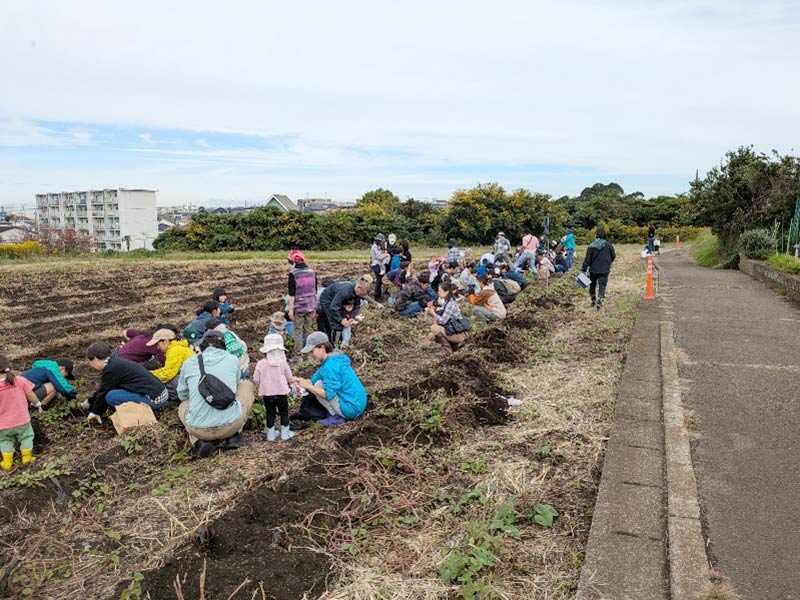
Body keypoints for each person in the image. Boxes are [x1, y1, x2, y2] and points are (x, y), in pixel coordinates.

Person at [177, 330, 256, 457]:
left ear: (202, 347)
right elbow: (234, 388)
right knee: (246, 385)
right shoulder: (232, 359)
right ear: (224, 346)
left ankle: (198, 442)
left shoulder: (188, 363)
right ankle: (234, 436)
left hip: (199, 430)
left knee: (183, 405)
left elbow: (182, 395)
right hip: (231, 425)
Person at [293, 332, 367, 424]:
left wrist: (308, 387)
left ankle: (336, 417)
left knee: (318, 385)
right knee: (318, 383)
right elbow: (312, 381)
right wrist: (299, 380)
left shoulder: (330, 366)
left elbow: (328, 394)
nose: (311, 355)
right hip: (358, 402)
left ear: (322, 347)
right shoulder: (334, 358)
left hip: (352, 409)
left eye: (312, 351)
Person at [85, 341, 169, 422]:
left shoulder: (111, 369)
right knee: (113, 392)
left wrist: (95, 412)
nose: (92, 366)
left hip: (156, 399)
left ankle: (140, 413)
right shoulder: (114, 360)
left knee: (111, 396)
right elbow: (104, 386)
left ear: (95, 359)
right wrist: (90, 401)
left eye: (90, 362)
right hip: (160, 393)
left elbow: (104, 391)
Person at [253, 334, 295, 442]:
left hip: (267, 393)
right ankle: (285, 433)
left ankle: (270, 435)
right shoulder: (283, 363)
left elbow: (256, 379)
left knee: (270, 413)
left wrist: (262, 384)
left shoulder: (261, 363)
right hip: (281, 393)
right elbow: (289, 377)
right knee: (284, 413)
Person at [0, 355, 38, 470]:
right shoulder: (19, 380)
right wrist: (37, 403)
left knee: (5, 440)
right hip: (22, 420)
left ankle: (7, 462)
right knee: (26, 437)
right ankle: (26, 458)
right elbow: (30, 394)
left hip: (3, 424)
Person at [146, 328, 195, 402]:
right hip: (193, 381)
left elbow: (168, 374)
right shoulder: (178, 348)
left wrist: (149, 374)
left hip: (192, 383)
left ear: (165, 341)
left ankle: (175, 398)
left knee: (168, 379)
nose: (157, 347)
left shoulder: (174, 351)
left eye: (158, 344)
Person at [318, 279, 370, 345]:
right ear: (359, 287)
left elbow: (357, 306)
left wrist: (352, 317)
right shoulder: (344, 292)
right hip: (328, 299)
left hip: (337, 300)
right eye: (362, 294)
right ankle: (334, 343)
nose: (362, 296)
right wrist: (341, 320)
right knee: (334, 321)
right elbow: (333, 307)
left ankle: (342, 341)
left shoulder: (357, 292)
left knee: (343, 318)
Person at [287, 249, 317, 359]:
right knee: (308, 329)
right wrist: (314, 307)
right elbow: (314, 290)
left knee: (298, 331)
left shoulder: (293, 274)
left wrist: (290, 310)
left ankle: (298, 355)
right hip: (310, 305)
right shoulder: (312, 272)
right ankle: (308, 354)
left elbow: (291, 293)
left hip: (299, 307)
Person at [581, 227, 616, 310]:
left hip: (593, 270)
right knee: (602, 285)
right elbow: (613, 256)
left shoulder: (591, 245)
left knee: (592, 285)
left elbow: (587, 260)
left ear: (596, 235)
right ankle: (600, 301)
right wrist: (608, 262)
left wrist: (583, 270)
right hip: (604, 269)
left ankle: (593, 300)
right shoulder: (608, 245)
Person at [426, 282, 467, 353]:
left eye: (440, 291)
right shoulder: (447, 302)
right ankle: (453, 346)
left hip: (458, 333)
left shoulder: (450, 304)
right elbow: (441, 313)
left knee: (434, 328)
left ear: (447, 291)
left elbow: (442, 321)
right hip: (451, 330)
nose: (438, 292)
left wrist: (433, 314)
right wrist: (433, 312)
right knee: (431, 335)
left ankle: (447, 350)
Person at [370, 234, 390, 302]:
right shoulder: (374, 247)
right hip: (376, 265)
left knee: (380, 281)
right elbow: (379, 257)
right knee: (378, 281)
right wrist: (386, 255)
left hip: (378, 265)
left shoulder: (377, 246)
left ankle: (379, 294)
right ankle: (377, 296)